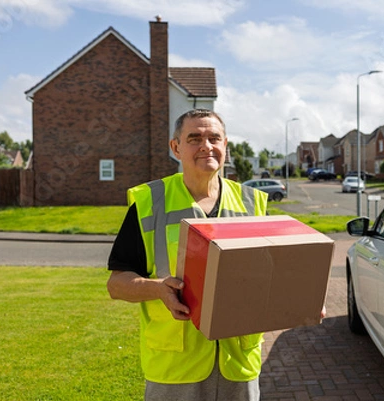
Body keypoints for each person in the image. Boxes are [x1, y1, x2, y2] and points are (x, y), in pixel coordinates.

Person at [107, 109, 268, 401]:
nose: (206, 145)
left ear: (225, 145)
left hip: (239, 364)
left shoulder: (252, 202)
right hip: (176, 369)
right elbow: (116, 284)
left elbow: (270, 275)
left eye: (214, 138)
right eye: (194, 138)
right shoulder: (149, 202)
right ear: (176, 147)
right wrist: (157, 289)